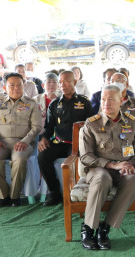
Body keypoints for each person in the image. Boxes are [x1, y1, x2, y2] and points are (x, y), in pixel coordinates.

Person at [79, 84, 135, 250]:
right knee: (103, 178)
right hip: (98, 169)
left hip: (123, 169)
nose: (106, 103)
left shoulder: (131, 123)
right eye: (103, 99)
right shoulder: (91, 124)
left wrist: (131, 164)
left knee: (134, 180)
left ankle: (105, 228)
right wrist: (113, 165)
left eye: (111, 99)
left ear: (121, 101)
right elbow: (86, 156)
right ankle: (88, 229)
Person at [38, 71, 92, 206]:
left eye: (66, 81)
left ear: (74, 82)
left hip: (78, 144)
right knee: (43, 157)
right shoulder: (55, 104)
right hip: (60, 143)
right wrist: (44, 138)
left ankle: (81, 194)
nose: (62, 85)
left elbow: (92, 126)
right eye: (60, 82)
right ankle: (55, 193)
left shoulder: (84, 102)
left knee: (80, 160)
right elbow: (49, 127)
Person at [0, 73, 41, 207]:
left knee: (19, 159)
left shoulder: (31, 104)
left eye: (19, 85)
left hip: (23, 143)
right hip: (3, 142)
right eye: (12, 85)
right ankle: (3, 195)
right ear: (5, 87)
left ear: (24, 86)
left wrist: (25, 141)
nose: (16, 88)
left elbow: (36, 127)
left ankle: (14, 197)